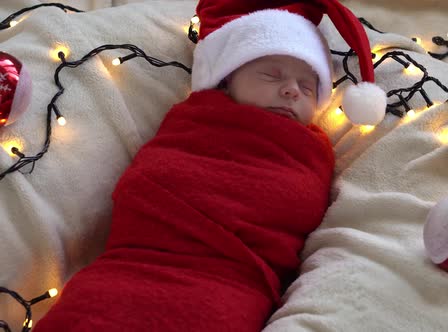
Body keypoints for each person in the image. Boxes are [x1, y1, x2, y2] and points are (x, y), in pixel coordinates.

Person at [34, 0, 385, 331]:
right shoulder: (194, 119)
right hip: (134, 263)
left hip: (224, 283)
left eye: (307, 87)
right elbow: (148, 181)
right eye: (272, 75)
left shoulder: (309, 149)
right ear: (228, 76)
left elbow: (298, 204)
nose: (292, 89)